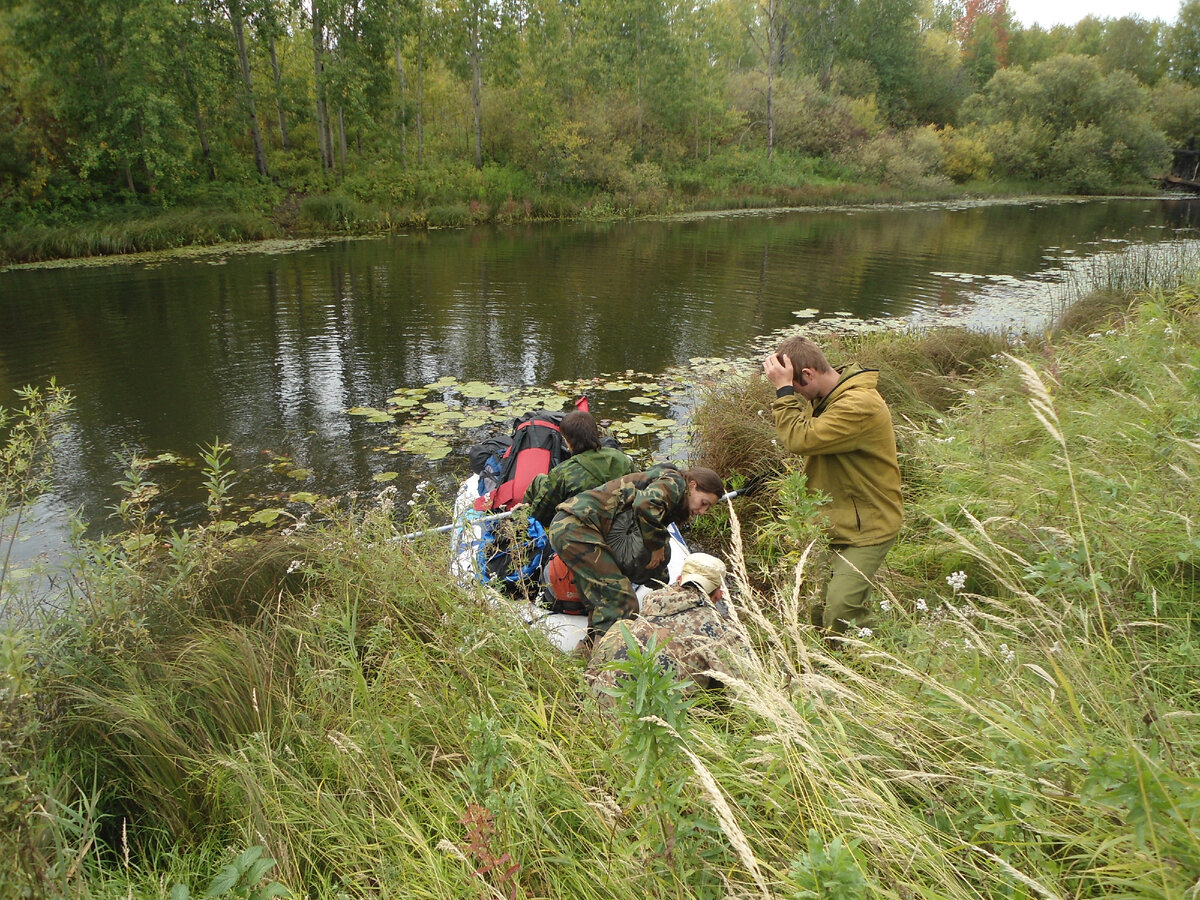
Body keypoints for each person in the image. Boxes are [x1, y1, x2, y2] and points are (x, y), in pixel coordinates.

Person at [762, 336, 902, 636]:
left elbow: (800, 439)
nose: (797, 396)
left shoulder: (857, 404)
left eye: (797, 387)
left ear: (809, 374)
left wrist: (783, 392)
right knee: (815, 605)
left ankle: (871, 667)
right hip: (835, 520)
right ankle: (830, 666)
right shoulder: (828, 397)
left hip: (869, 525)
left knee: (841, 610)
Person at [548, 464, 725, 649]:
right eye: (704, 503)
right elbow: (645, 504)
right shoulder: (675, 483)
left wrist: (661, 585)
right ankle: (602, 669)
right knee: (622, 602)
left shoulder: (669, 485)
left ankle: (585, 657)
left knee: (601, 602)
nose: (702, 511)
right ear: (692, 485)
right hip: (576, 527)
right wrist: (655, 545)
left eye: (708, 508)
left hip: (574, 526)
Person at [585, 552, 754, 706]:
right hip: (648, 728)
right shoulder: (719, 631)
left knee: (622, 627)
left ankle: (586, 686)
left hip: (597, 708)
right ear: (719, 594)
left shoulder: (653, 600)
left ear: (679, 579)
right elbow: (745, 688)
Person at [523, 410, 633, 527]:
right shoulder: (621, 458)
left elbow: (540, 517)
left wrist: (520, 512)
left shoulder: (562, 473)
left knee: (538, 480)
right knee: (541, 480)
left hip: (583, 524)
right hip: (618, 519)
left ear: (568, 442)